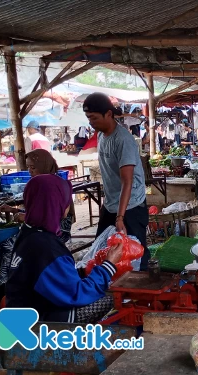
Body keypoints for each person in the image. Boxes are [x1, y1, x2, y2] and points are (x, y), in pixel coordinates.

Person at [5, 174, 122, 323]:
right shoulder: (44, 246)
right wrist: (108, 265)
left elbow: (52, 276)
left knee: (102, 284)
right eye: (67, 200)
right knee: (115, 297)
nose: (69, 205)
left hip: (25, 310)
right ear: (56, 204)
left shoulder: (29, 232)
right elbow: (77, 294)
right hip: (39, 322)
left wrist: (84, 271)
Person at [83, 93, 149, 270]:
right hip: (112, 203)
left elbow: (127, 181)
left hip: (131, 205)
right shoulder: (101, 136)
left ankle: (138, 293)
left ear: (109, 114)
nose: (91, 122)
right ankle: (108, 291)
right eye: (88, 118)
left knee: (135, 253)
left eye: (94, 118)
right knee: (102, 249)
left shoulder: (123, 140)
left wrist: (120, 217)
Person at [0, 149, 75, 243]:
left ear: (43, 165)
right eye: (28, 167)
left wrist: (25, 217)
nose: (30, 171)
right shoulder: (62, 183)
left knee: (5, 245)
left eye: (33, 167)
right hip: (58, 236)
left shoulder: (37, 183)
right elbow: (43, 212)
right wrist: (14, 210)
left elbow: (51, 219)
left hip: (50, 238)